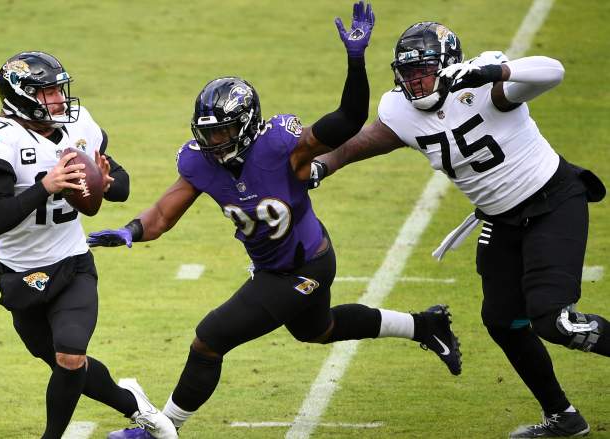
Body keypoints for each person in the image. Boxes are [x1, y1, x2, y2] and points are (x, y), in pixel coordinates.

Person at [88, 5, 463, 438]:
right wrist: (130, 231)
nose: (213, 142)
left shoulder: (283, 148)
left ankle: (162, 428)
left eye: (222, 133)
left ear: (246, 127)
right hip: (276, 265)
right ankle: (425, 325)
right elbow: (162, 213)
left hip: (305, 265)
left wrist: (356, 61)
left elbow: (347, 120)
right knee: (318, 330)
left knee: (209, 339)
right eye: (208, 133)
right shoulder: (200, 162)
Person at [311, 21, 609, 438]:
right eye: (408, 72)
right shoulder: (400, 109)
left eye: (424, 70)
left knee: (554, 321)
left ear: (449, 64)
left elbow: (553, 70)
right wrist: (323, 165)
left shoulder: (484, 82)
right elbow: (362, 142)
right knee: (503, 321)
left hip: (552, 202)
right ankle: (563, 417)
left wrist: (499, 73)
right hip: (500, 218)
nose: (416, 81)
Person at [0, 51, 177, 439]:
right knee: (65, 364)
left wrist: (108, 182)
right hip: (20, 274)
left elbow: (122, 185)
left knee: (70, 354)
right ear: (20, 95)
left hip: (73, 265)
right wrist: (45, 186)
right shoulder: (1, 138)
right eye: (47, 91)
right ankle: (134, 404)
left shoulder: (79, 124)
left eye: (59, 89)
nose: (60, 99)